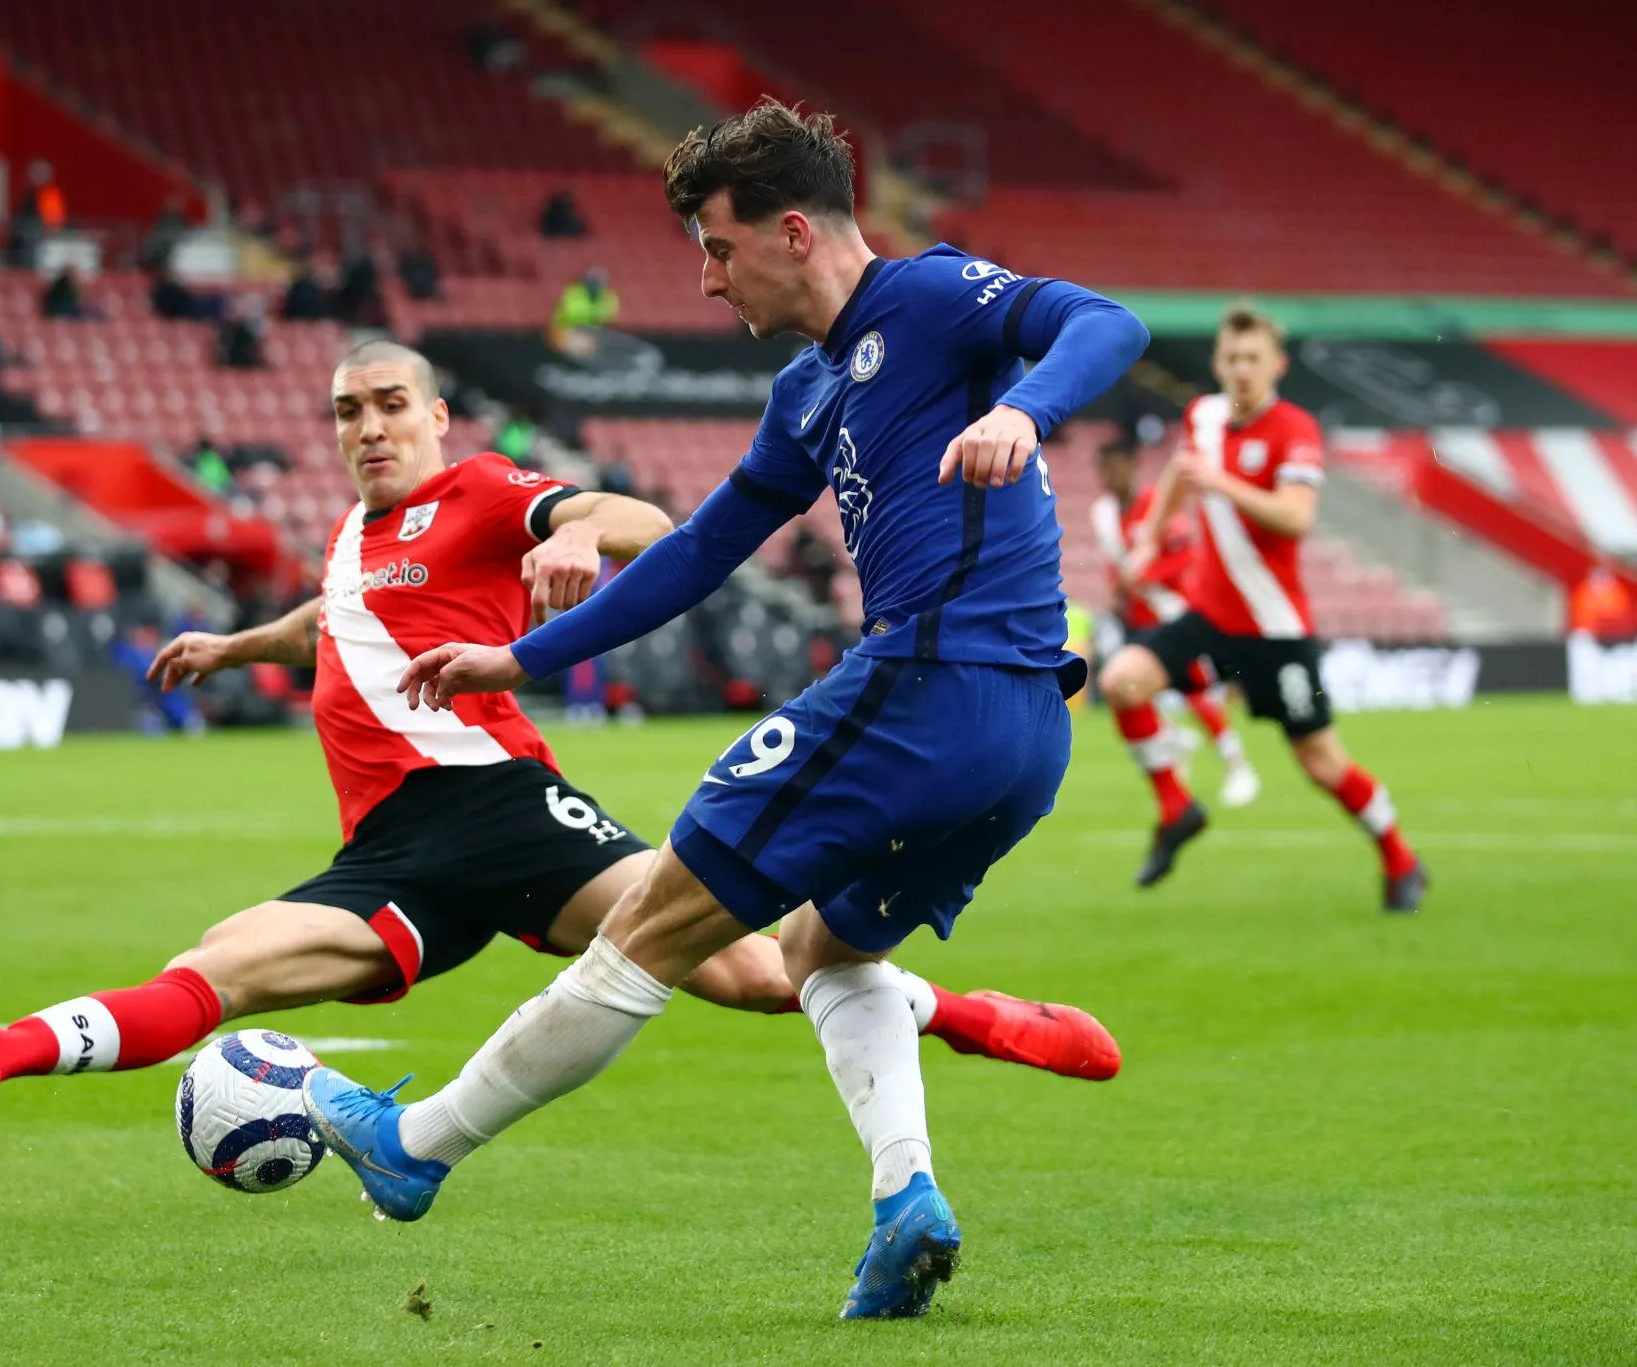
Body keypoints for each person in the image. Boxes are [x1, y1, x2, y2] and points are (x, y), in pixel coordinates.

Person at [300, 101, 1148, 1320]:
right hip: (1023, 737)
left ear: (792, 231)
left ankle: (416, 1144)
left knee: (649, 921)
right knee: (820, 952)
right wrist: (524, 657)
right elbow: (699, 549)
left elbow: (1106, 323)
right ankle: (905, 1198)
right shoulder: (807, 389)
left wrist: (1022, 410)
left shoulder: (926, 297)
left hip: (927, 687)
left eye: (716, 247)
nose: (705, 280)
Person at [0, 339, 1116, 1113]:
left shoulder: (479, 489)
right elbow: (338, 622)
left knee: (750, 972)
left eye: (389, 404)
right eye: (348, 411)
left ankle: (976, 1015)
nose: (369, 427)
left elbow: (636, 519)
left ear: (436, 416)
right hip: (391, 852)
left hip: (504, 804)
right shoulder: (353, 539)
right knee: (221, 959)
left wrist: (574, 530)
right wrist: (237, 645)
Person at [1097, 304, 1426, 910]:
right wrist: (1148, 539)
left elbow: (1295, 517)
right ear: (1218, 363)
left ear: (1277, 365)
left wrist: (1220, 483)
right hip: (1208, 615)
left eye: (1253, 358)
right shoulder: (1204, 415)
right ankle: (1176, 808)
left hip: (1275, 629)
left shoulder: (1294, 430)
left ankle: (1400, 858)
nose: (1242, 369)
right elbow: (1181, 473)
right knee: (1122, 681)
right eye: (1232, 358)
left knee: (1321, 763)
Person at [1090, 436, 1258, 809]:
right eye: (1104, 469)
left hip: (1171, 617)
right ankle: (1172, 746)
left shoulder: (1155, 504)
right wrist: (1118, 593)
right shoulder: (1103, 514)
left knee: (1195, 692)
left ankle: (1237, 765)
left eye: (1117, 467)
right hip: (1136, 619)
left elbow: (1185, 556)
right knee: (1130, 691)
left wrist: (1146, 575)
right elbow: (1116, 566)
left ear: (1132, 466)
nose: (1111, 476)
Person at [548, 266, 619, 354]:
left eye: (598, 281)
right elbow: (570, 315)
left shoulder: (608, 296)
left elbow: (608, 317)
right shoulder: (574, 293)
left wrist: (594, 324)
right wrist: (590, 320)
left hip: (592, 331)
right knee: (582, 347)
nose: (596, 285)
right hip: (565, 330)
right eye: (592, 281)